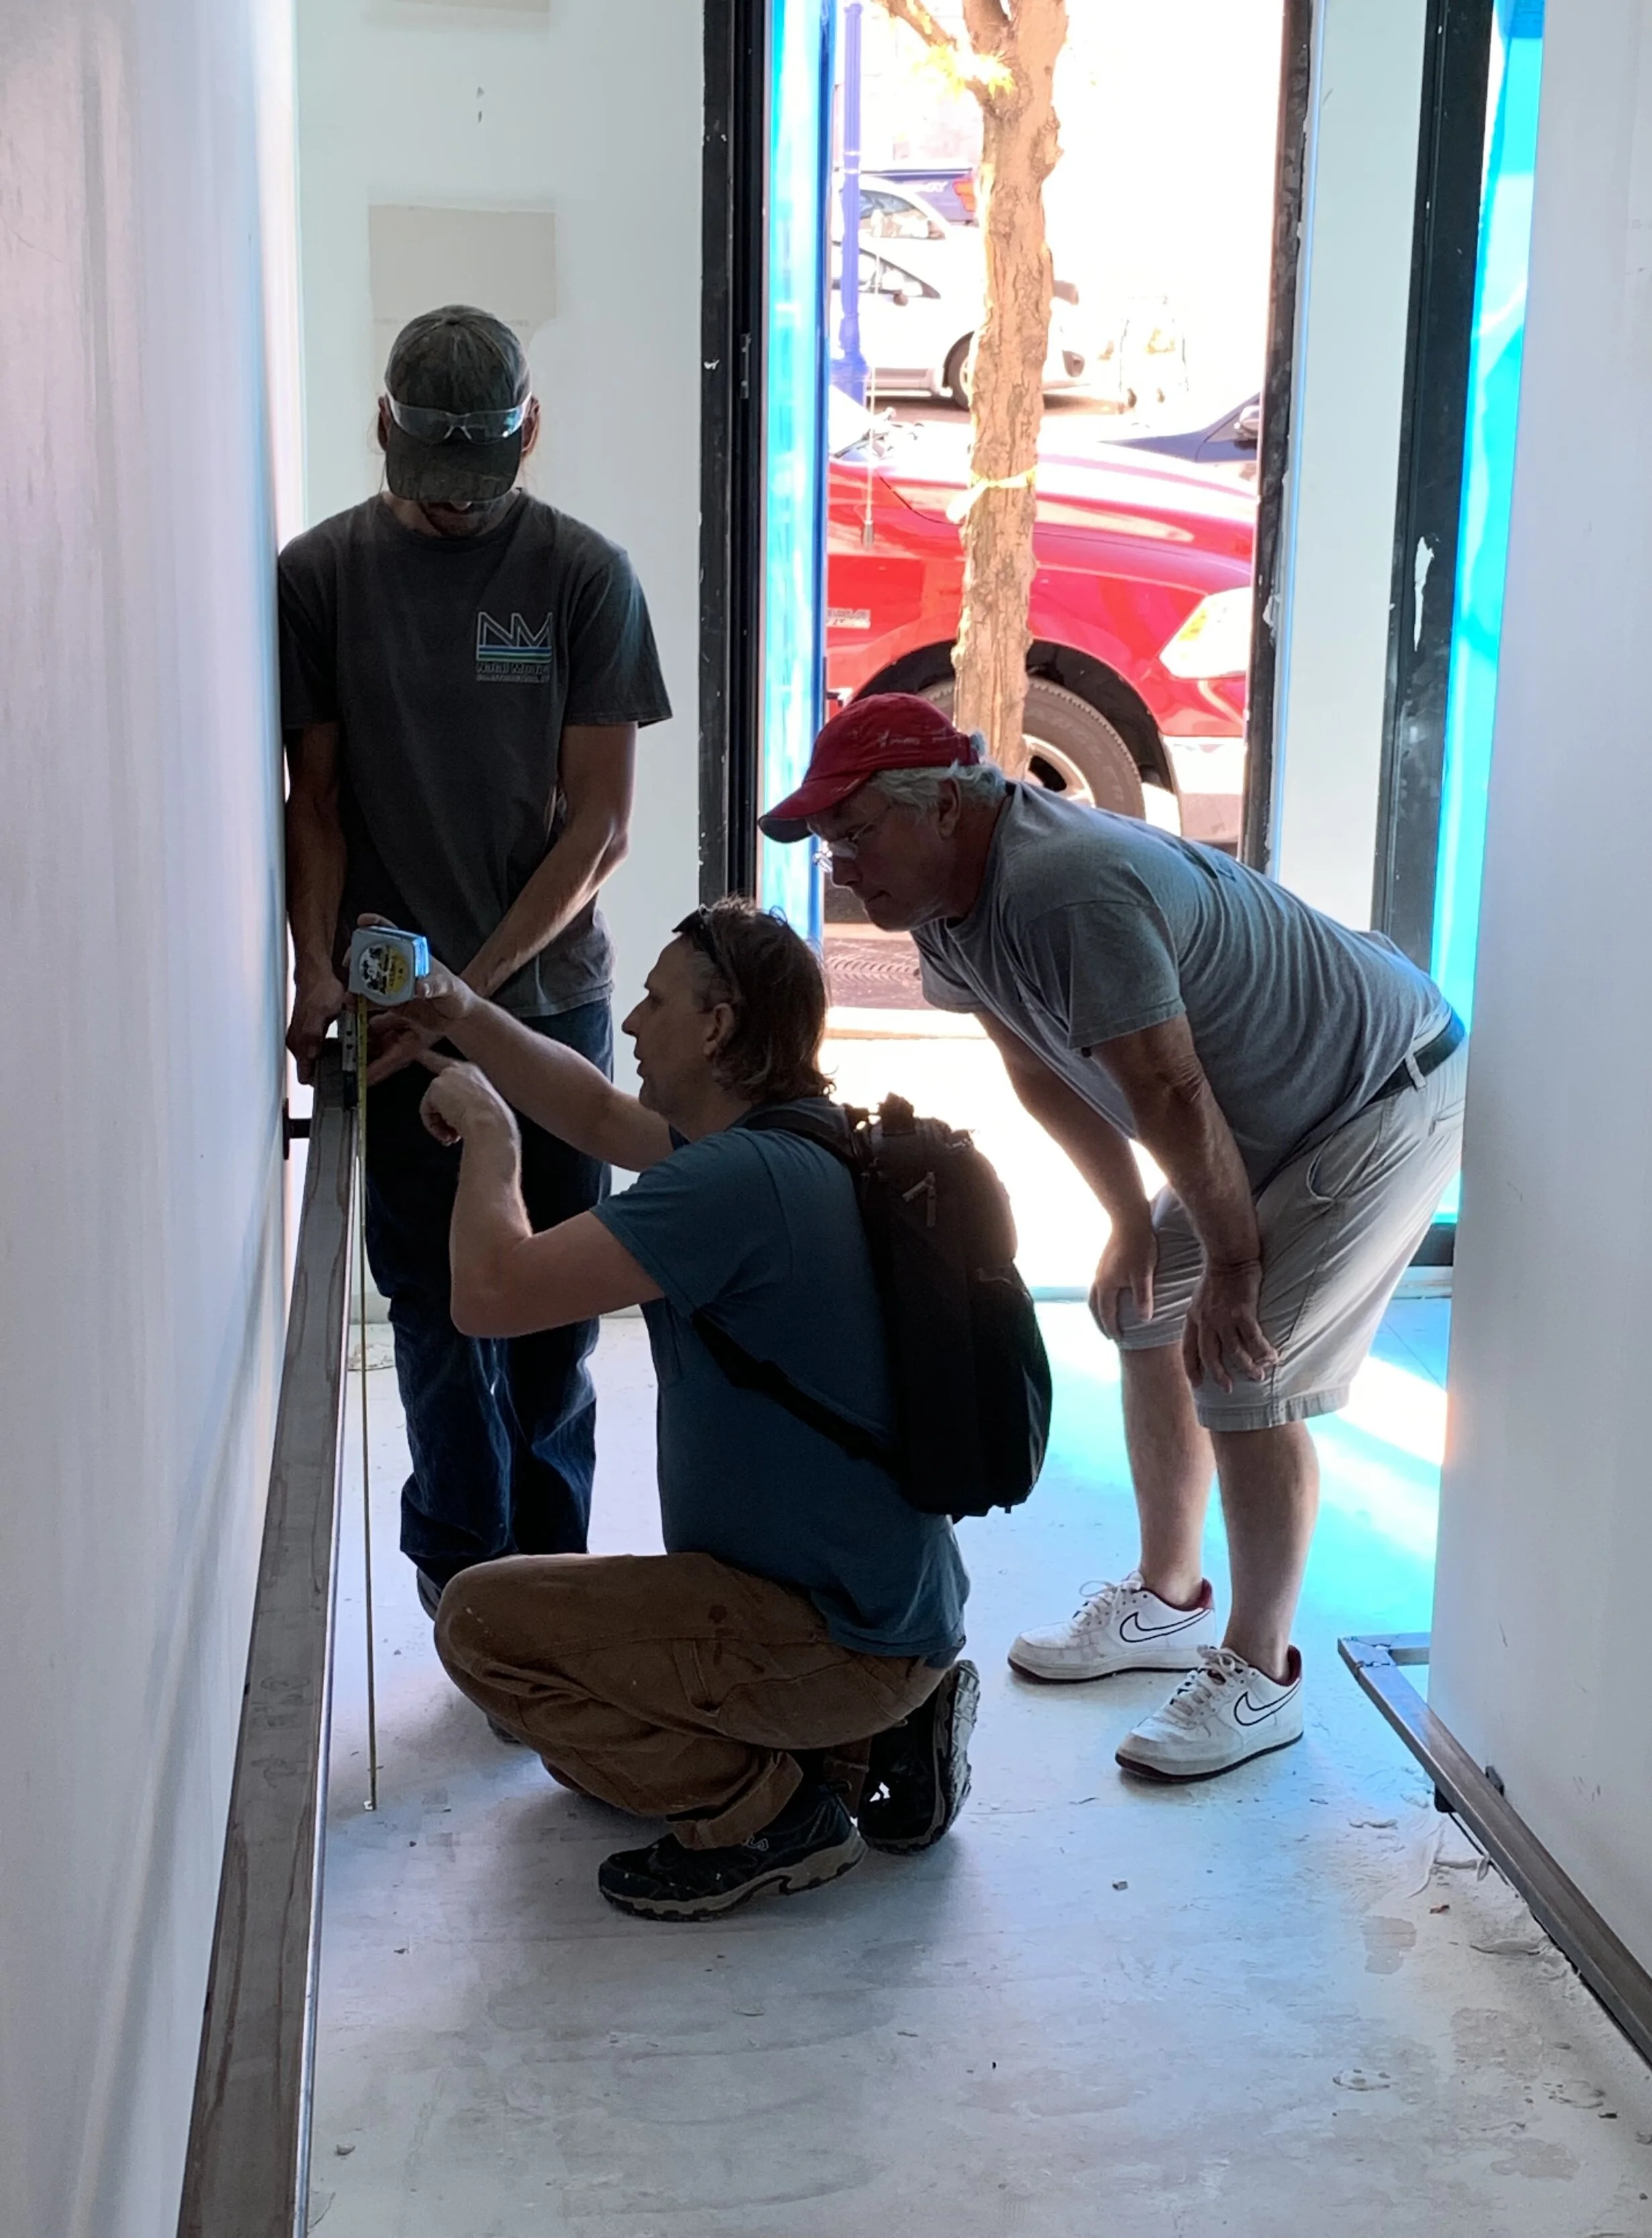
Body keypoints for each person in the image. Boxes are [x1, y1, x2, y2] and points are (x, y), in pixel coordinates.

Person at [761, 693, 1467, 1783]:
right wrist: (1131, 1222)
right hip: (1266, 1120)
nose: (843, 868)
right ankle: (1168, 1599)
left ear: (944, 806)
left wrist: (1233, 1264)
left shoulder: (1066, 888)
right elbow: (1039, 1067)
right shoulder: (943, 908)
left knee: (1243, 1365)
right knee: (1146, 1311)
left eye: (855, 834)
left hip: (1377, 1094)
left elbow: (1169, 1086)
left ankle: (1262, 1673)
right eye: (827, 844)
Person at [391, 899, 977, 1920]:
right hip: (880, 1613)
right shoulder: (797, 1142)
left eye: (655, 1002)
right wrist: (463, 1011)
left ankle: (768, 1817)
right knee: (587, 1746)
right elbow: (597, 1116)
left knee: (484, 1627)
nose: (629, 1022)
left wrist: (488, 1135)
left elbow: (490, 1295)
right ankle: (876, 1744)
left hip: (834, 1633)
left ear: (718, 1027)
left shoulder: (732, 1184)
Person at [279, 304, 671, 1613]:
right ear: (381, 431)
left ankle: (550, 1584)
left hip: (545, 1005)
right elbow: (317, 805)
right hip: (392, 1025)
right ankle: (466, 1581)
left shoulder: (583, 575)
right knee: (438, 1310)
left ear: (530, 433)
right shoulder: (321, 577)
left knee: (555, 1313)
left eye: (476, 480)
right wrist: (315, 972)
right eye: (431, 479)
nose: (454, 506)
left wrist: (473, 993)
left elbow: (599, 828)